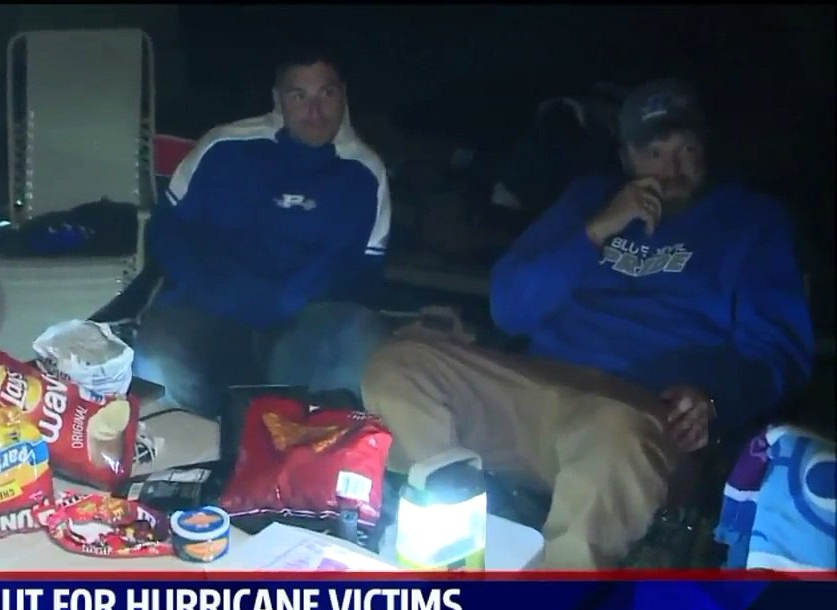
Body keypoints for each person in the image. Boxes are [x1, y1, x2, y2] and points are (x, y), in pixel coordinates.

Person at [362, 78, 814, 569]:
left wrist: (714, 398)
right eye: (654, 152)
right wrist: (596, 230)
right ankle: (446, 541)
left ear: (706, 152)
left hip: (640, 413)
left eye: (687, 150)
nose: (672, 169)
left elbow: (779, 351)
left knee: (615, 439)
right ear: (626, 158)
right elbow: (510, 308)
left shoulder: (751, 222)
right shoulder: (589, 201)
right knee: (400, 368)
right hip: (536, 389)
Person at [131, 47, 391, 418]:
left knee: (362, 337)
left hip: (304, 316)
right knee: (159, 352)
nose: (314, 112)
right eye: (299, 96)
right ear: (277, 100)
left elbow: (360, 273)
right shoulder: (224, 147)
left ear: (343, 95)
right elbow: (167, 230)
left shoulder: (365, 173)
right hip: (210, 301)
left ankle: (309, 451)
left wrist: (289, 299)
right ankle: (184, 452)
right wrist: (214, 288)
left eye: (326, 94)